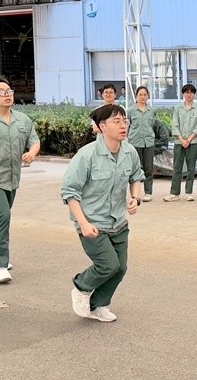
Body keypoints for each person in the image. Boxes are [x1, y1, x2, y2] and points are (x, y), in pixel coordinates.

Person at [62, 105, 145, 322]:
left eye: (125, 121)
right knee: (108, 264)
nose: (123, 125)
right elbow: (70, 192)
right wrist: (83, 223)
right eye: (116, 121)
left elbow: (136, 176)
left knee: (120, 268)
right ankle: (81, 287)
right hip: (92, 222)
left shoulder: (129, 152)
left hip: (118, 222)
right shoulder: (86, 155)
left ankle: (97, 305)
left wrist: (135, 197)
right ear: (102, 127)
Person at [0, 76, 40, 284]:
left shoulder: (23, 120)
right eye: (1, 92)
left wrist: (32, 153)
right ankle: (0, 266)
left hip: (12, 178)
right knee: (2, 215)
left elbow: (34, 141)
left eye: (9, 91)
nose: (7, 95)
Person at [163, 84, 197, 202]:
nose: (189, 95)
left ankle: (188, 192)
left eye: (191, 92)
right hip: (179, 142)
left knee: (191, 168)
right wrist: (181, 140)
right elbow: (175, 125)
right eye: (186, 92)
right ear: (183, 94)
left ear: (194, 94)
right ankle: (174, 193)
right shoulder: (178, 108)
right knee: (177, 167)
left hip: (193, 142)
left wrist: (189, 139)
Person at [127, 86, 156, 202]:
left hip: (149, 142)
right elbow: (127, 126)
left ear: (148, 96)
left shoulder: (152, 111)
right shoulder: (130, 111)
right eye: (140, 95)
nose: (143, 97)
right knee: (136, 169)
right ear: (136, 96)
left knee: (148, 168)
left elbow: (152, 125)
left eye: (145, 95)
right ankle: (135, 194)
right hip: (135, 142)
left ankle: (148, 192)